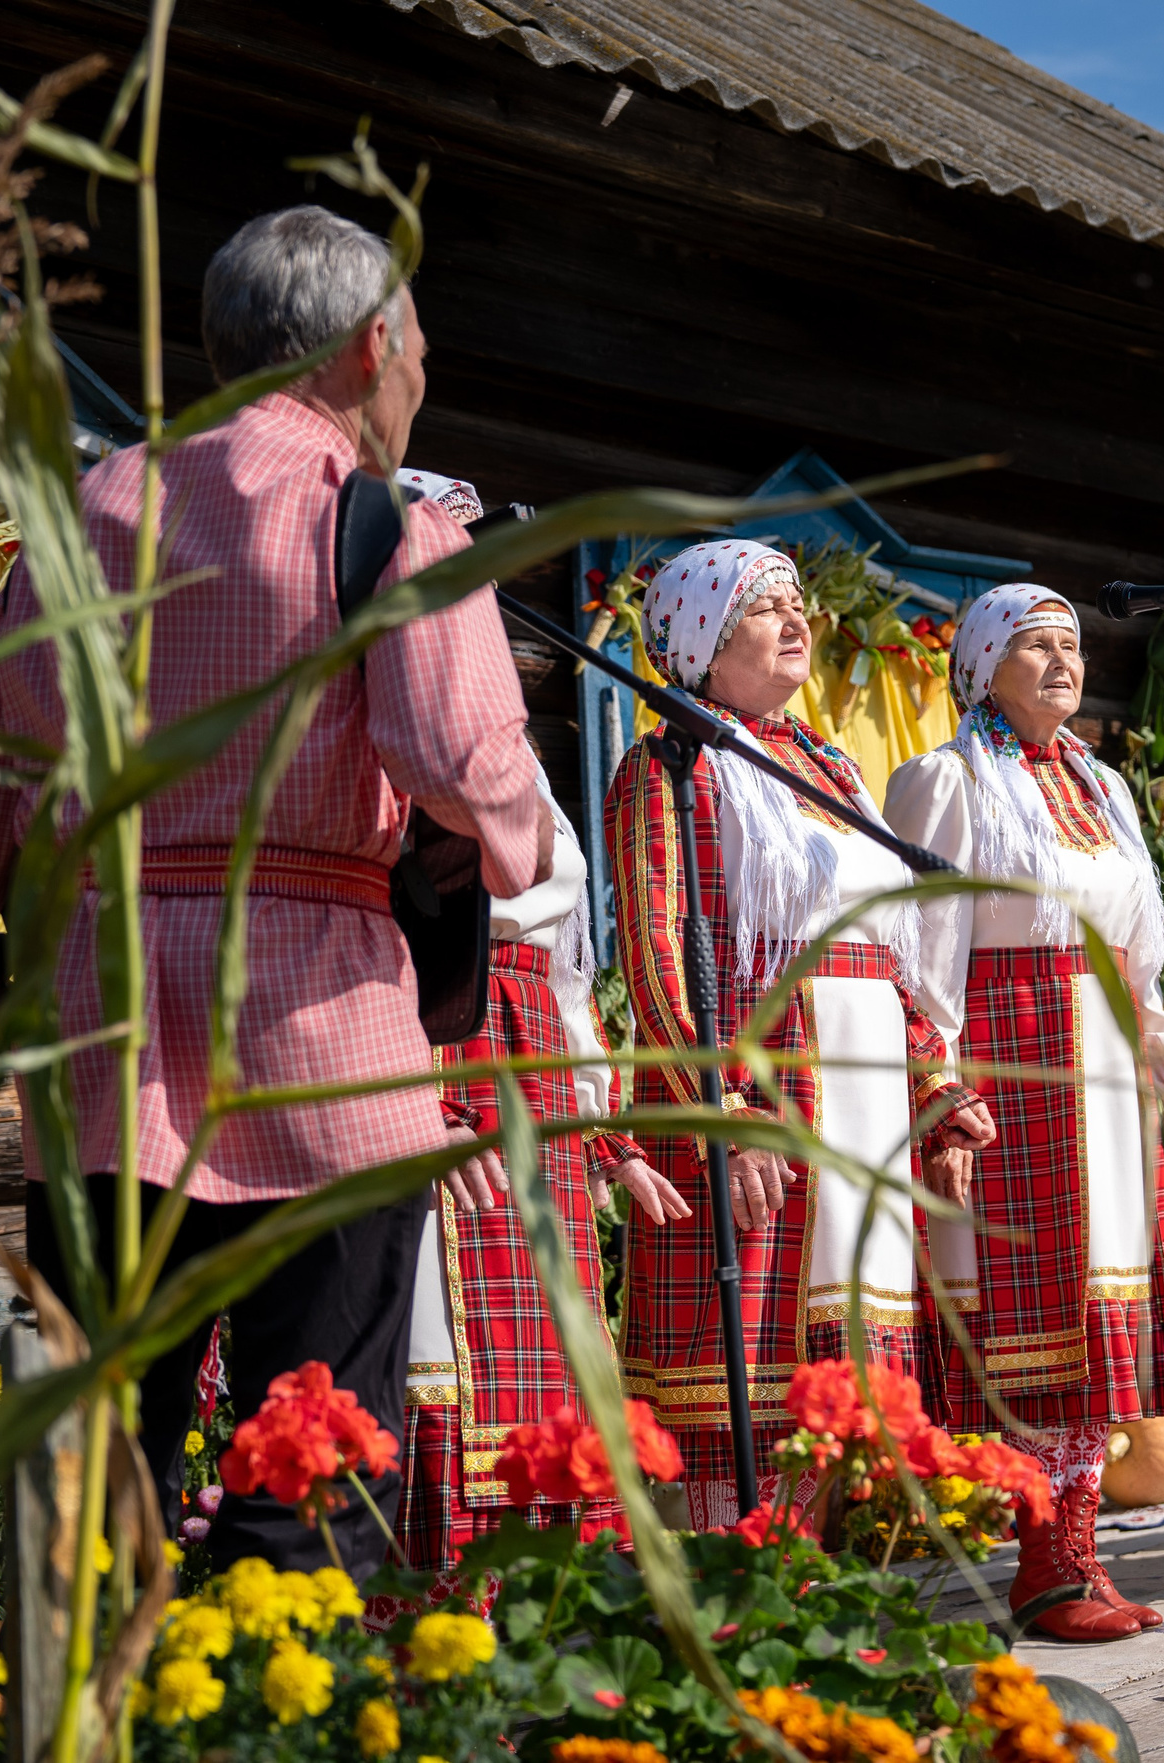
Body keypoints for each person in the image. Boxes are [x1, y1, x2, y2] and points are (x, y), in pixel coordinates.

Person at [0, 207, 551, 1574]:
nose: (422, 373)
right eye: (420, 345)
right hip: (328, 1053)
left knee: (100, 1467)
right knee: (313, 1459)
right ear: (373, 346)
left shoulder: (75, 524)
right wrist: (507, 842)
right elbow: (468, 774)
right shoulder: (385, 528)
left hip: (108, 1047)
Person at [605, 538, 995, 1528]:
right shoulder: (668, 767)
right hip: (759, 1083)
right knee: (750, 1368)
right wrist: (720, 1105)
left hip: (857, 1090)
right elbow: (657, 954)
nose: (796, 622)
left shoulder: (827, 765)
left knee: (834, 1377)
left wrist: (935, 1091)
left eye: (797, 605)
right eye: (764, 607)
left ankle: (808, 1601)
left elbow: (887, 950)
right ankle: (735, 1603)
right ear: (701, 635)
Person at [884, 583, 1164, 1643]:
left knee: (1098, 1302)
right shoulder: (944, 780)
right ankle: (1043, 1562)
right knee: (1034, 1312)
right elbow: (916, 949)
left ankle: (1075, 1551)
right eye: (1034, 641)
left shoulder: (1102, 785)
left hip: (1104, 1059)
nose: (1063, 659)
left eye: (1072, 642)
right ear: (982, 663)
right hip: (1014, 1055)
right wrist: (937, 1085)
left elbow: (1136, 954)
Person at [389, 471, 685, 1566]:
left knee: (550, 1326)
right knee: (438, 1319)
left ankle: (549, 1587)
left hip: (524, 1043)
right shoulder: (362, 711)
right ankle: (444, 1594)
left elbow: (562, 964)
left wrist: (598, 1128)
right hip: (422, 1020)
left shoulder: (500, 736)